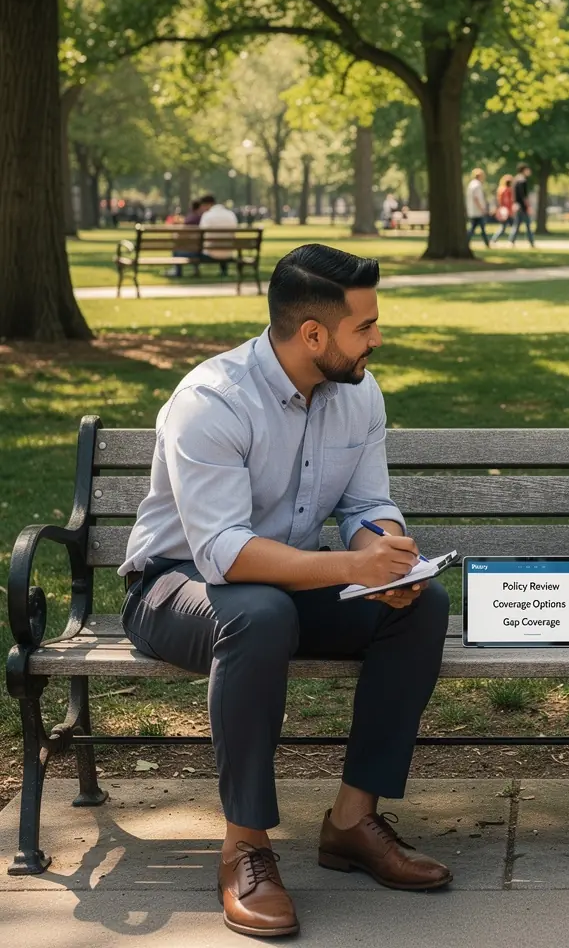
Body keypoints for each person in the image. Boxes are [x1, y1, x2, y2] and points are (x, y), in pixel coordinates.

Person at [118, 245, 453, 938]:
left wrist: (387, 557)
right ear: (313, 334)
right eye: (365, 326)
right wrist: (351, 569)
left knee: (421, 608)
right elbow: (223, 553)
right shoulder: (213, 400)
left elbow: (367, 505)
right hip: (173, 586)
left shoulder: (358, 392)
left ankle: (353, 823)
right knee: (261, 616)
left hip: (278, 583)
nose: (377, 339)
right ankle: (245, 846)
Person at [509, 163, 535, 248]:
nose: (529, 171)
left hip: (517, 206)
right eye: (528, 169)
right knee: (527, 224)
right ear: (524, 170)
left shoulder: (516, 180)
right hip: (522, 207)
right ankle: (531, 242)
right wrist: (528, 206)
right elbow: (524, 195)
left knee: (517, 224)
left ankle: (512, 241)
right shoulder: (522, 180)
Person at [466, 168, 490, 247]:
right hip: (477, 211)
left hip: (473, 211)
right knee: (479, 228)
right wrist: (482, 208)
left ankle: (487, 243)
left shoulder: (471, 184)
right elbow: (476, 198)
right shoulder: (477, 185)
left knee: (474, 228)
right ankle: (487, 243)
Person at [492, 174, 515, 242]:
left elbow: (500, 201)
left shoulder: (501, 190)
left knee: (504, 227)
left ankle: (494, 239)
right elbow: (508, 201)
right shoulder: (508, 190)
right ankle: (511, 240)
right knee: (512, 226)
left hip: (503, 211)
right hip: (507, 211)